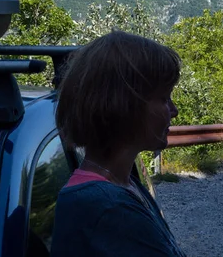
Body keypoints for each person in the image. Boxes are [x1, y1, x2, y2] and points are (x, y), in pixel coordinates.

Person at [50, 30, 187, 257]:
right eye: (164, 98)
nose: (174, 111)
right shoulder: (107, 207)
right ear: (125, 106)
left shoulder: (123, 185)